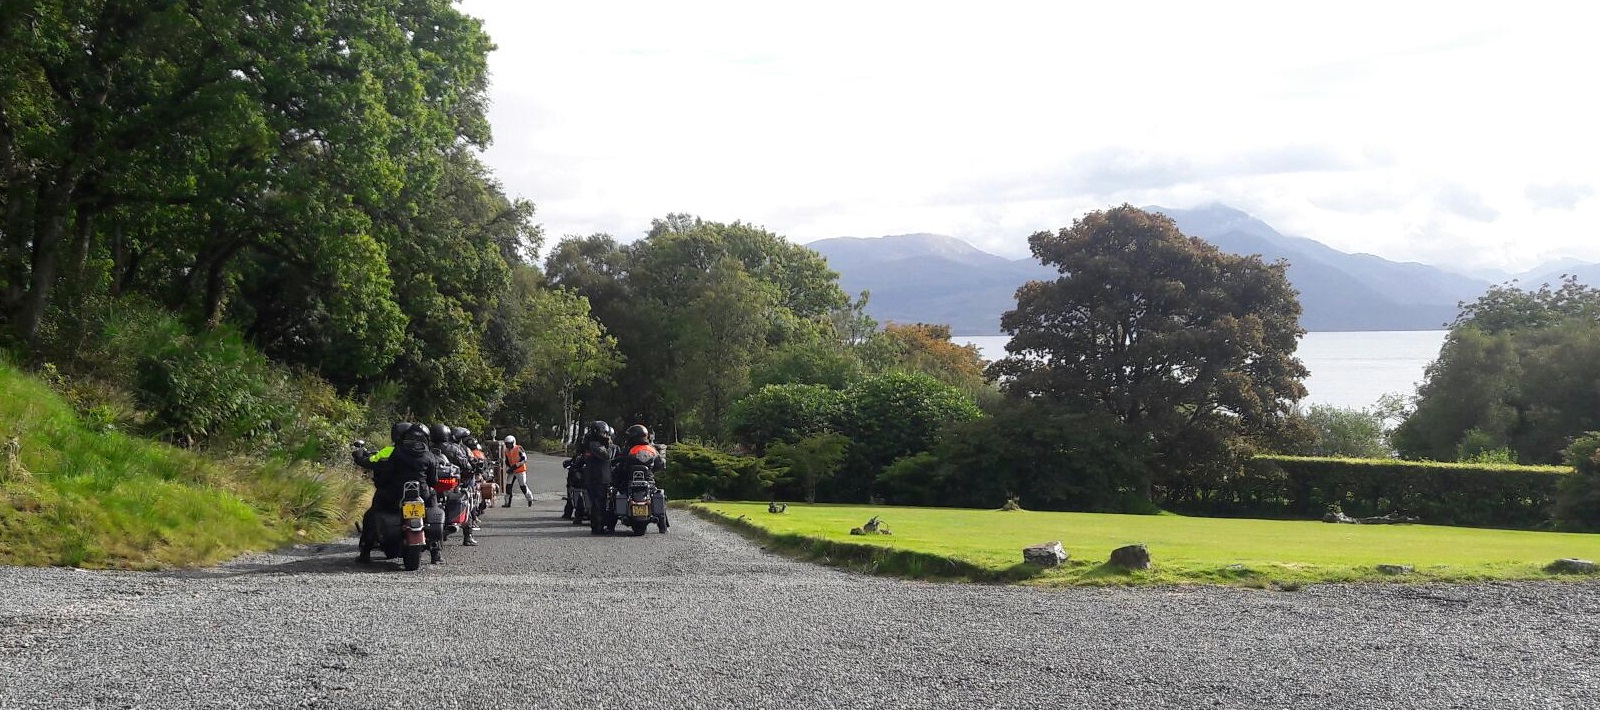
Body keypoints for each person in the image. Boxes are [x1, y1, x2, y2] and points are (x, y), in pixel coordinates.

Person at [439, 426, 478, 546]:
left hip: (435, 482)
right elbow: (467, 466)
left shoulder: (429, 448)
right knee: (468, 500)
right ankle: (468, 536)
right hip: (455, 482)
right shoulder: (457, 449)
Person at [576, 421, 618, 534]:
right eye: (604, 433)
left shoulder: (593, 442)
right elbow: (606, 455)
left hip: (598, 477)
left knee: (600, 502)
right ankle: (598, 527)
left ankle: (601, 525)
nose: (606, 436)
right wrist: (609, 445)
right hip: (597, 477)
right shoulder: (594, 444)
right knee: (598, 503)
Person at [502, 435, 533, 507]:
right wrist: (508, 468)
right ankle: (507, 503)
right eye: (507, 444)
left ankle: (530, 499)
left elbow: (524, 459)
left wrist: (516, 466)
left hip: (520, 470)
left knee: (523, 486)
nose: (508, 445)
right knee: (508, 486)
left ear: (513, 442)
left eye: (509, 444)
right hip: (512, 471)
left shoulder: (519, 448)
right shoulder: (506, 451)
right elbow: (507, 461)